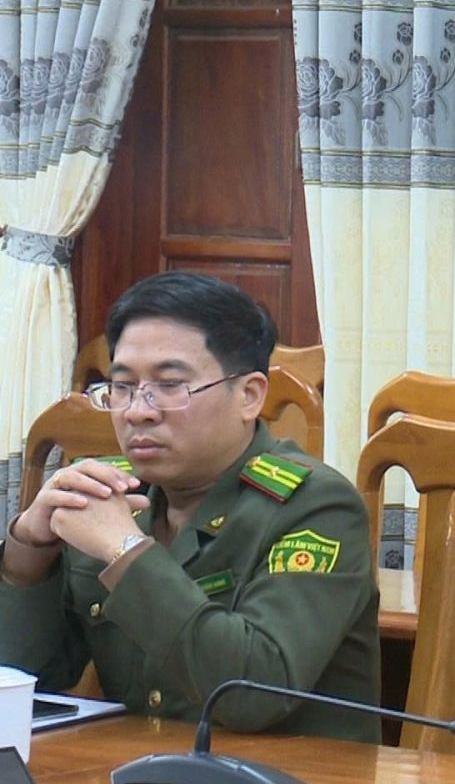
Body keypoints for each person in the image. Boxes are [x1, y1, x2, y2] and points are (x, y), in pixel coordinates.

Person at [0, 273, 380, 742]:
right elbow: (27, 678)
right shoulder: (114, 497)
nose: (138, 410)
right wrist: (28, 553)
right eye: (122, 386)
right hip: (135, 775)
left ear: (249, 396)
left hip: (292, 782)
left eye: (170, 385)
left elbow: (254, 693)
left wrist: (126, 550)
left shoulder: (316, 505)